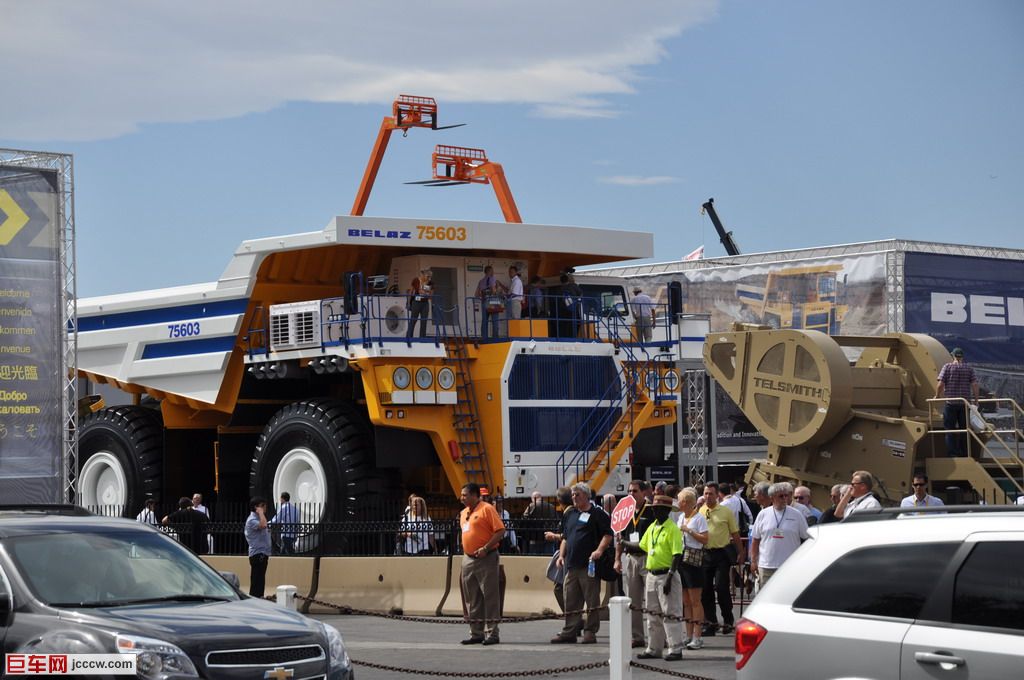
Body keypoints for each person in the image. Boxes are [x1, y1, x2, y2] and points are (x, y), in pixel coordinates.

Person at [551, 483, 613, 645]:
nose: (574, 497)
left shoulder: (597, 513)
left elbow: (608, 534)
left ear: (586, 496)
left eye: (577, 494)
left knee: (591, 600)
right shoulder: (571, 514)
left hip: (589, 565)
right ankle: (570, 630)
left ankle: (590, 632)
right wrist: (561, 555)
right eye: (572, 495)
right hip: (571, 565)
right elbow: (565, 536)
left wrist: (599, 550)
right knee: (570, 599)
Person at [632, 495, 685, 661]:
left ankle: (675, 648)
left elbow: (677, 555)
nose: (654, 511)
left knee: (670, 612)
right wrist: (624, 543)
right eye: (654, 508)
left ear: (667, 511)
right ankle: (654, 648)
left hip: (666, 574)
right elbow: (642, 546)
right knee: (653, 614)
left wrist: (670, 577)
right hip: (652, 575)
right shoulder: (653, 527)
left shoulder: (672, 529)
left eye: (658, 509)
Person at [459, 483, 506, 646]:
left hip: (487, 558)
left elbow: (500, 530)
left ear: (474, 495)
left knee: (490, 596)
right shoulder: (463, 513)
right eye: (462, 495)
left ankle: (492, 633)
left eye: (465, 495)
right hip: (468, 559)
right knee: (472, 597)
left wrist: (486, 548)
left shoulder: (487, 509)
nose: (462, 498)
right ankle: (476, 632)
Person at [698, 482, 745, 636]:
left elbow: (735, 534)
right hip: (705, 554)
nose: (707, 496)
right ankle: (711, 623)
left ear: (717, 494)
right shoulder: (701, 511)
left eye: (711, 493)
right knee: (706, 590)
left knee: (721, 587)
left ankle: (727, 620)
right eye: (705, 493)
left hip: (721, 554)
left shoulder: (725, 511)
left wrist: (741, 552)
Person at [614, 480, 655, 649]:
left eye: (635, 491)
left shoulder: (652, 510)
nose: (631, 494)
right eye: (629, 491)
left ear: (644, 493)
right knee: (634, 600)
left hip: (648, 558)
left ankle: (657, 636)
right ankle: (637, 636)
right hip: (631, 558)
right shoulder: (625, 512)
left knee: (653, 600)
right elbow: (619, 537)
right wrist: (617, 559)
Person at [749, 482, 810, 588]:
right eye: (781, 496)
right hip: (766, 566)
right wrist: (753, 561)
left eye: (786, 495)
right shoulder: (763, 514)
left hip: (790, 566)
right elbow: (755, 540)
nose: (784, 498)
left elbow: (807, 539)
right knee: (766, 599)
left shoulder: (797, 514)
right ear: (772, 498)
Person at [676, 487, 708, 650]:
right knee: (686, 601)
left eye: (679, 500)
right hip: (682, 559)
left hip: (694, 560)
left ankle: (697, 635)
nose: (677, 503)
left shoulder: (699, 518)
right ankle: (688, 634)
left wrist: (689, 531)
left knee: (695, 600)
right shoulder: (681, 517)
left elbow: (705, 539)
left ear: (686, 502)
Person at [936, 347, 980, 457]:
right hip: (964, 404)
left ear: (953, 356)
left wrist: (937, 396)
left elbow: (940, 384)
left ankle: (952, 453)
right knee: (964, 430)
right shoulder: (969, 369)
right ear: (962, 356)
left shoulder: (947, 367)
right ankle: (964, 453)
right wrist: (976, 400)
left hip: (951, 403)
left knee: (949, 430)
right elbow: (974, 384)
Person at [244, 496, 272, 597]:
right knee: (256, 581)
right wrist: (260, 512)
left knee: (260, 581)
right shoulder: (252, 520)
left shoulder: (259, 518)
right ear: (256, 507)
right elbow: (263, 525)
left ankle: (259, 598)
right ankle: (255, 599)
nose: (265, 508)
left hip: (263, 553)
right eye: (262, 506)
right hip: (257, 554)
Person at [476, 266, 505, 340]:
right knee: (495, 321)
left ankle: (484, 338)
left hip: (484, 302)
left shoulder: (481, 281)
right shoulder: (492, 279)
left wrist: (484, 296)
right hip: (493, 302)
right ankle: (495, 338)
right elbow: (494, 291)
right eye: (492, 271)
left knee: (484, 321)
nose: (493, 272)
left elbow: (476, 294)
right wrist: (499, 289)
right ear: (490, 271)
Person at [407, 269, 433, 339]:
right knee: (413, 320)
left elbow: (431, 296)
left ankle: (422, 338)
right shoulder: (416, 280)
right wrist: (408, 303)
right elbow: (411, 291)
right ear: (423, 275)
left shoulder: (430, 283)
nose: (429, 278)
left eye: (430, 277)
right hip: (416, 302)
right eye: (428, 276)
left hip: (425, 303)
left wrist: (426, 294)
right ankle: (409, 337)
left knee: (424, 321)